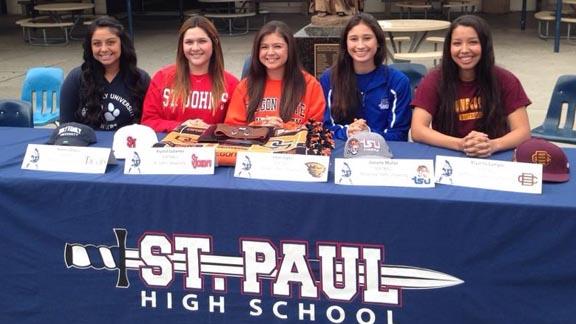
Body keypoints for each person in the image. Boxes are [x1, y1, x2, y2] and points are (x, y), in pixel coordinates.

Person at [411, 15, 531, 158]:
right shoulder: (433, 80)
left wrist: (492, 145)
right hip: (448, 154)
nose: (464, 50)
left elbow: (523, 132)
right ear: (449, 47)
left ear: (485, 45)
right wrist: (461, 144)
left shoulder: (506, 80)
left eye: (473, 42)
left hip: (494, 156)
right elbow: (417, 130)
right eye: (457, 43)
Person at [319, 13, 412, 141]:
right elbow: (322, 128)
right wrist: (347, 132)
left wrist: (368, 133)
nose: (360, 45)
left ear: (378, 42)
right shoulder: (328, 79)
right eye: (353, 39)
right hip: (341, 151)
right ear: (345, 43)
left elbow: (400, 134)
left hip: (383, 156)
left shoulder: (398, 82)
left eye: (367, 38)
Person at [141, 16, 239, 132]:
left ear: (214, 43)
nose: (195, 48)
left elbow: (236, 128)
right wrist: (181, 127)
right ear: (181, 46)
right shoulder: (162, 78)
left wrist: (210, 130)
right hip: (169, 148)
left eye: (202, 41)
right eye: (189, 42)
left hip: (210, 148)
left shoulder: (231, 84)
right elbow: (148, 122)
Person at [225, 20, 325, 130]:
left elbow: (316, 128)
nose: (270, 52)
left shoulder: (310, 85)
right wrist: (260, 127)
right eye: (264, 47)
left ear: (290, 49)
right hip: (255, 146)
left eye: (277, 46)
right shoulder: (245, 86)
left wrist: (282, 127)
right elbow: (232, 129)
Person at [60, 16, 150, 131]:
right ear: (90, 47)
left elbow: (147, 125)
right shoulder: (75, 78)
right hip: (86, 145)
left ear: (122, 44)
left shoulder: (140, 79)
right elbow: (65, 126)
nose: (104, 49)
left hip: (126, 145)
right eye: (97, 44)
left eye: (110, 42)